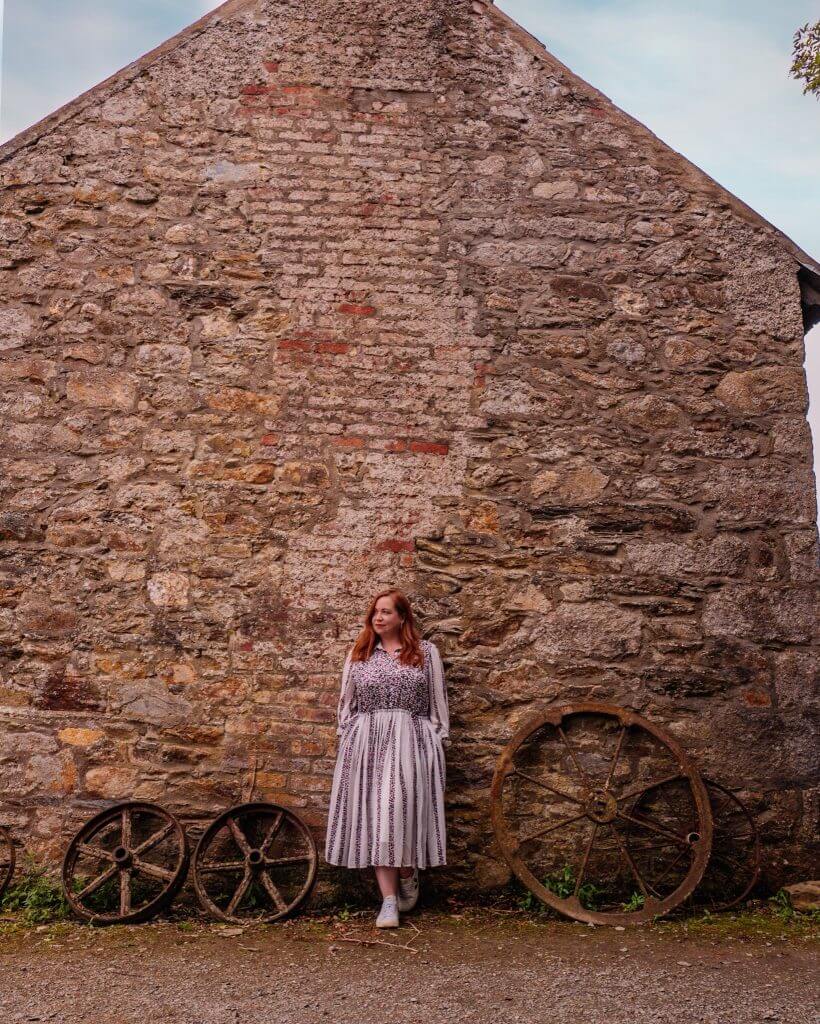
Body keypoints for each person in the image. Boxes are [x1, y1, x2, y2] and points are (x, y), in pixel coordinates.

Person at [324, 588, 450, 928]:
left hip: (412, 742)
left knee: (401, 813)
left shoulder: (425, 653)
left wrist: (434, 743)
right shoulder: (360, 653)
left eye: (386, 612)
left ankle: (408, 871)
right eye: (375, 612)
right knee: (378, 817)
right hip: (369, 745)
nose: (378, 617)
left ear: (402, 617)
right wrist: (351, 738)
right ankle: (389, 901)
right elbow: (345, 706)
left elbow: (438, 708)